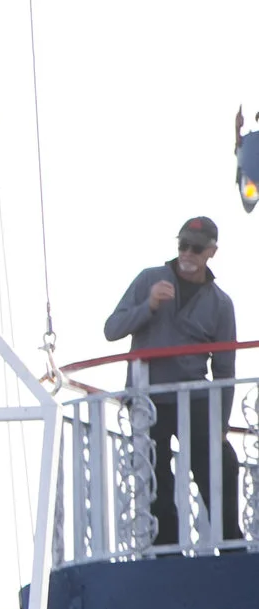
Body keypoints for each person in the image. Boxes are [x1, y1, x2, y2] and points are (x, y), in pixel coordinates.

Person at [104, 216, 242, 552]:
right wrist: (149, 306)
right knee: (156, 477)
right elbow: (112, 329)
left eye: (196, 248)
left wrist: (221, 423)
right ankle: (167, 550)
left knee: (220, 464)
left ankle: (231, 545)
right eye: (183, 245)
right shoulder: (149, 279)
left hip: (194, 399)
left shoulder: (221, 303)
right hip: (148, 400)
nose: (188, 254)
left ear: (211, 252)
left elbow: (224, 368)